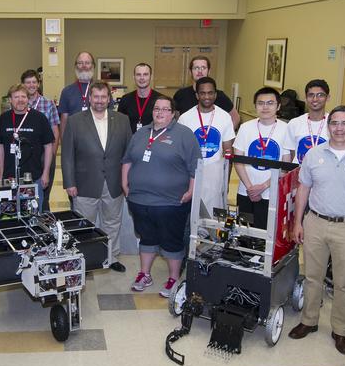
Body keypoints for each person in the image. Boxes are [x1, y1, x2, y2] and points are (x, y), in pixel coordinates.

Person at [288, 105, 345, 354]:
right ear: (328, 126)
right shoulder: (313, 154)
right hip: (315, 222)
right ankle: (308, 321)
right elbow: (303, 189)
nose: (339, 128)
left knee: (343, 283)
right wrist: (298, 222)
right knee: (312, 277)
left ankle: (340, 330)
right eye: (335, 123)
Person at [122, 96, 200, 296]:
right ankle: (144, 274)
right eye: (157, 108)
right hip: (139, 200)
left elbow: (195, 167)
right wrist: (124, 183)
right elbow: (128, 160)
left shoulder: (184, 134)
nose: (160, 112)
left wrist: (191, 191)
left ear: (173, 113)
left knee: (171, 240)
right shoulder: (140, 134)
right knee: (146, 238)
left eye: (165, 109)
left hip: (170, 202)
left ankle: (173, 278)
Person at [61, 82, 131, 273]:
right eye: (96, 97)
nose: (100, 101)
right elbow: (67, 154)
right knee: (84, 224)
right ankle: (85, 258)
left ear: (109, 98)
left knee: (112, 222)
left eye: (103, 97)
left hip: (114, 182)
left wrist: (127, 181)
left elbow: (128, 153)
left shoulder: (123, 120)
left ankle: (111, 256)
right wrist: (69, 183)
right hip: (84, 184)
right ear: (89, 98)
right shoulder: (75, 121)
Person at [232, 87, 295, 227]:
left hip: (271, 194)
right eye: (260, 103)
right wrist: (250, 188)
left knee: (266, 236)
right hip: (245, 191)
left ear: (278, 106)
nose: (265, 107)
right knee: (243, 234)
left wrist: (263, 186)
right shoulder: (245, 127)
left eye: (270, 103)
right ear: (255, 106)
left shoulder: (286, 129)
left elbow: (285, 166)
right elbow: (238, 160)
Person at [177, 76, 235, 219]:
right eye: (203, 93)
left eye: (210, 93)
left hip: (215, 174)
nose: (207, 96)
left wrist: (226, 182)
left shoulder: (224, 117)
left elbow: (229, 152)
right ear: (197, 95)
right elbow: (179, 151)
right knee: (192, 215)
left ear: (215, 94)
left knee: (213, 216)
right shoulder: (185, 118)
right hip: (191, 174)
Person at [0, 84, 56, 204]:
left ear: (28, 99)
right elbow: (0, 146)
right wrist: (1, 173)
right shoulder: (3, 119)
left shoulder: (39, 118)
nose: (20, 100)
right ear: (10, 100)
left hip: (33, 177)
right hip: (9, 177)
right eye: (16, 97)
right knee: (10, 213)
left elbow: (48, 146)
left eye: (23, 96)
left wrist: (46, 173)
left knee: (33, 213)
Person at [23, 69, 61, 204]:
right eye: (28, 82)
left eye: (34, 82)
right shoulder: (19, 104)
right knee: (25, 193)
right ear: (23, 85)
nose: (31, 85)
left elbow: (55, 130)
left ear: (38, 84)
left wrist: (51, 154)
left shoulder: (48, 103)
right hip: (26, 156)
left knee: (44, 196)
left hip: (45, 154)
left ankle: (44, 217)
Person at [172, 56, 240, 129]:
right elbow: (175, 119)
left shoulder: (220, 96)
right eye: (196, 68)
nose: (200, 71)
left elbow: (236, 118)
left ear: (209, 71)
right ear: (190, 72)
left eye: (203, 68)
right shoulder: (180, 94)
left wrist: (225, 136)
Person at [288, 79, 331, 162]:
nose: (315, 99)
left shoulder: (334, 124)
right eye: (311, 95)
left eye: (320, 95)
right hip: (299, 173)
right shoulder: (294, 123)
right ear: (305, 98)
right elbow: (291, 155)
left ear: (328, 98)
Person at [57, 51, 98, 134]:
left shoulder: (102, 90)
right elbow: (64, 121)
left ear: (93, 66)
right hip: (74, 139)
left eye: (87, 63)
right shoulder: (66, 91)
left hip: (97, 139)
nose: (84, 66)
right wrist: (65, 144)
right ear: (76, 66)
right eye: (80, 63)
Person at [116, 62, 164, 133]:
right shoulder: (125, 99)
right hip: (131, 141)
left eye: (145, 74)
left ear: (151, 77)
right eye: (138, 74)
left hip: (153, 141)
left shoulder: (161, 100)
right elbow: (119, 125)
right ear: (134, 77)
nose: (142, 78)